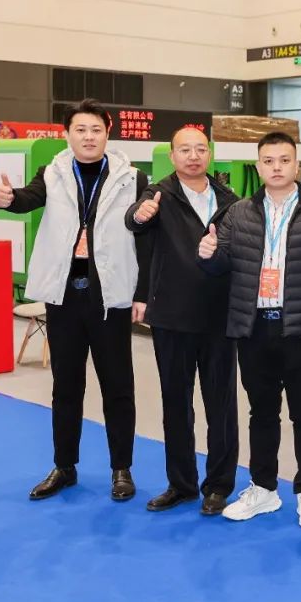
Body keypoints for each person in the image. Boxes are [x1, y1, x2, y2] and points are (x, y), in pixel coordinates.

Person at [0, 98, 148, 502]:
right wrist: (8, 199)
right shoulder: (53, 172)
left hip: (110, 297)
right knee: (65, 386)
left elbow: (146, 238)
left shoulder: (132, 178)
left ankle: (121, 468)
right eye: (80, 129)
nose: (88, 137)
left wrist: (143, 293)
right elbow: (27, 198)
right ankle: (64, 466)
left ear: (108, 133)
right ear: (67, 134)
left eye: (96, 130)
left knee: (118, 386)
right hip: (64, 296)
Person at [197, 132, 301, 527]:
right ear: (258, 166)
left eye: (284, 160)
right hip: (254, 328)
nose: (276, 167)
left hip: (300, 328)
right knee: (261, 412)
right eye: (268, 161)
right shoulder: (238, 213)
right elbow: (222, 264)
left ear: (297, 165)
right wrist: (208, 255)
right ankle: (263, 488)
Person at [124, 127, 240, 516]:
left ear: (210, 154)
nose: (193, 156)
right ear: (172, 156)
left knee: (221, 405)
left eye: (200, 149)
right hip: (172, 316)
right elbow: (135, 220)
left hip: (220, 317)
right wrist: (139, 214)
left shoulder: (229, 200)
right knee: (176, 404)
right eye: (185, 150)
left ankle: (219, 486)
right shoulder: (158, 194)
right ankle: (181, 484)